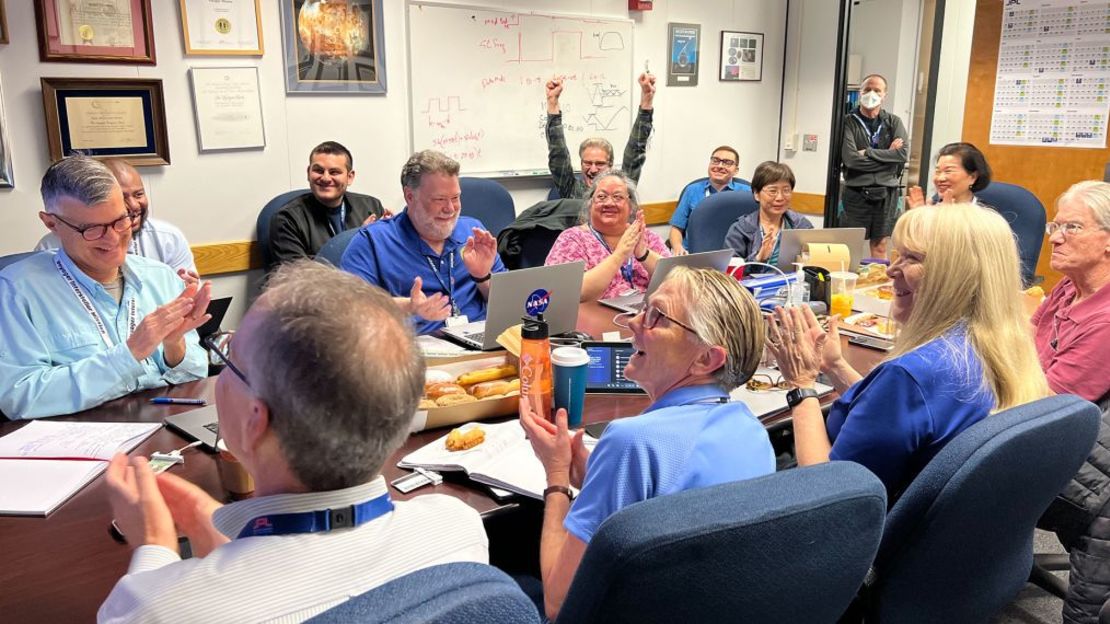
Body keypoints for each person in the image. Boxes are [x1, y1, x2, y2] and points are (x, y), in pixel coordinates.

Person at [98, 262, 488, 623]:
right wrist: (210, 526)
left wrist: (152, 547)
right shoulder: (457, 528)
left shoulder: (158, 608)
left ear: (255, 422)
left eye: (228, 357)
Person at [520, 267, 775, 619]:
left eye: (657, 317)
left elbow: (559, 603)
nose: (634, 322)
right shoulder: (751, 430)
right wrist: (592, 475)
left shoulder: (631, 441)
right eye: (644, 307)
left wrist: (558, 476)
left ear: (706, 359)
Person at [768, 203, 1050, 499]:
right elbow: (895, 417)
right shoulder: (993, 347)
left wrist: (801, 386)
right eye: (897, 255)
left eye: (911, 258)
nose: (891, 270)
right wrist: (835, 365)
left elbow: (825, 494)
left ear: (954, 276)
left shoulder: (910, 376)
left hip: (862, 530)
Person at [0, 156, 210, 420]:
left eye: (120, 220)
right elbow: (20, 398)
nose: (112, 238)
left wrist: (174, 344)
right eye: (92, 229)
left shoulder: (160, 276)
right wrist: (129, 353)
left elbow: (195, 374)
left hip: (163, 428)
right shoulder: (17, 291)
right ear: (51, 223)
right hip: (78, 442)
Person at [1026, 181, 1110, 624]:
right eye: (1055, 225)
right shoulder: (1067, 287)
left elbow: (1046, 405)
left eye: (1071, 227)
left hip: (1082, 472)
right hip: (1041, 421)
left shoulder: (1107, 320)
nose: (1055, 236)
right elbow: (1022, 342)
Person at [340, 150, 505, 335]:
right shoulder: (372, 241)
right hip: (413, 352)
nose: (450, 209)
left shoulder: (473, 232)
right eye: (439, 199)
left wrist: (482, 277)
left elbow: (507, 306)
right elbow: (350, 309)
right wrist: (409, 306)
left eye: (455, 198)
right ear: (410, 197)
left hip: (481, 348)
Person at [35, 158, 197, 274]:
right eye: (93, 229)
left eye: (139, 194)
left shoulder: (167, 238)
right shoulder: (50, 248)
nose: (133, 205)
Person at [544, 170, 670, 302]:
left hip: (647, 316)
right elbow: (568, 294)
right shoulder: (572, 239)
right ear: (590, 203)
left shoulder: (647, 237)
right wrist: (619, 255)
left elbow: (680, 282)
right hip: (595, 319)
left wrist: (644, 254)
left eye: (618, 197)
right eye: (602, 197)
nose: (609, 203)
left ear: (631, 206)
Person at [267, 141, 388, 270]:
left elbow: (385, 262)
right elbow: (300, 280)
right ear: (308, 173)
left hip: (367, 286)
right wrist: (357, 239)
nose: (325, 178)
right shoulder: (287, 220)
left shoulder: (370, 207)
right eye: (318, 170)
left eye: (334, 172)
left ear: (350, 177)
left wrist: (397, 228)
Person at [545, 72, 656, 199]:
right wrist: (552, 102)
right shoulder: (572, 190)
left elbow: (635, 150)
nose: (592, 170)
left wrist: (647, 99)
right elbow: (558, 153)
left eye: (599, 164)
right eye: (587, 163)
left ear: (611, 166)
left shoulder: (621, 190)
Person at [840, 73, 909, 258]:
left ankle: (877, 283)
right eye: (867, 89)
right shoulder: (847, 122)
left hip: (886, 193)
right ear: (860, 92)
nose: (871, 94)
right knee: (850, 246)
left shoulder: (893, 122)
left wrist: (868, 152)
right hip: (856, 192)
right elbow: (851, 160)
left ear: (884, 94)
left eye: (877, 90)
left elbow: (902, 154)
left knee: (880, 246)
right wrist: (888, 158)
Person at [723, 161, 814, 269]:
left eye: (786, 190)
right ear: (757, 194)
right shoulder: (741, 229)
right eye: (773, 191)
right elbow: (729, 273)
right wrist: (758, 258)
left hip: (791, 284)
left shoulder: (801, 225)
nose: (780, 197)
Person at [668, 146, 751, 255]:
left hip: (735, 256)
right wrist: (677, 247)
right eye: (715, 161)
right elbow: (677, 228)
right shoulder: (692, 190)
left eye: (727, 163)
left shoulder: (747, 193)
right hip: (694, 255)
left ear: (736, 170)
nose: (720, 166)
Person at [906, 142, 992, 208]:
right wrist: (917, 217)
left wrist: (946, 219)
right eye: (938, 171)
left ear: (973, 177)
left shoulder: (985, 216)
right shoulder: (931, 209)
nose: (940, 178)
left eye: (948, 171)